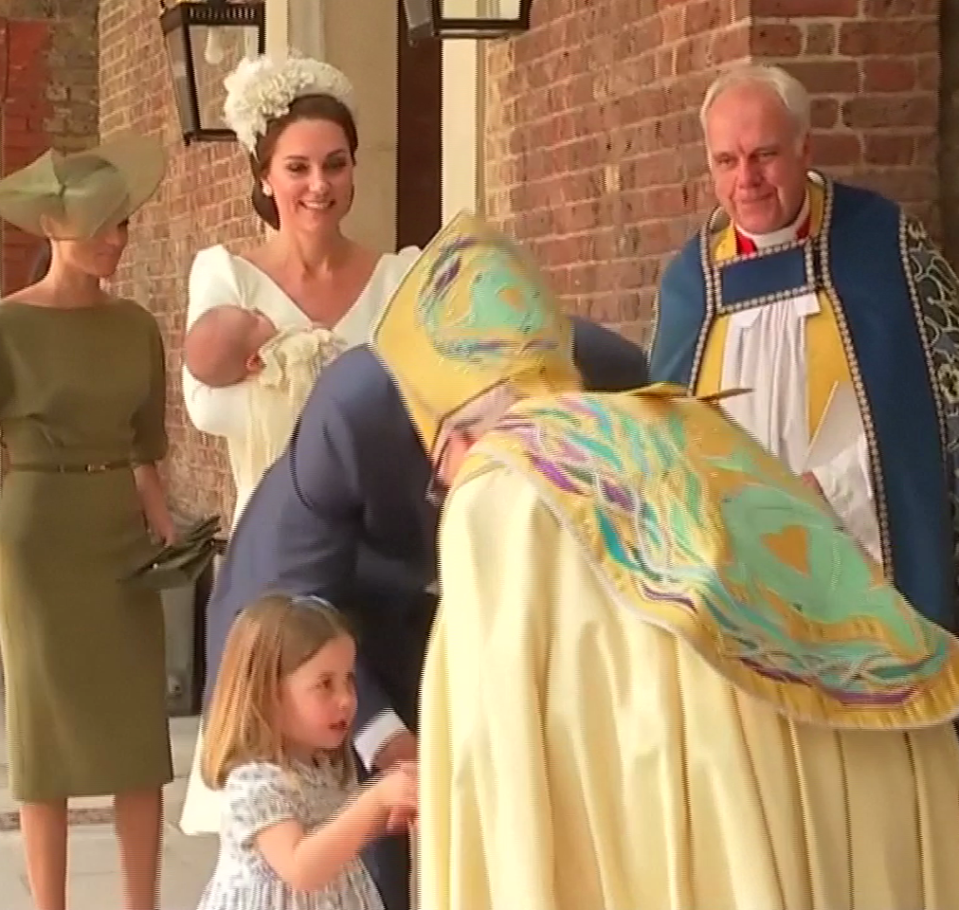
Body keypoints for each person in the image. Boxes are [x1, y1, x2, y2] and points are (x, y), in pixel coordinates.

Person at [369, 210, 959, 910]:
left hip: (690, 829)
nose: (448, 485)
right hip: (868, 788)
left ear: (456, 433)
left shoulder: (498, 484)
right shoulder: (685, 424)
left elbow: (492, 760)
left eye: (441, 467)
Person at [200, 247, 650, 908]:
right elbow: (298, 604)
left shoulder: (615, 381)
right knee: (377, 848)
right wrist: (383, 739)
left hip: (491, 618)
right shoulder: (354, 414)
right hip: (340, 622)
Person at [180, 52, 417, 839]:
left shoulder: (397, 281)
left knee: (374, 800)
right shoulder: (228, 281)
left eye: (335, 164)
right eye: (298, 167)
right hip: (276, 558)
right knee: (278, 812)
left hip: (379, 564)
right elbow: (207, 399)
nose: (319, 185)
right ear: (264, 174)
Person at [649, 63, 959, 633]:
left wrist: (837, 487)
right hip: (740, 578)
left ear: (804, 147)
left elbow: (941, 410)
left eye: (764, 155)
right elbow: (663, 450)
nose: (748, 178)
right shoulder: (691, 286)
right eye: (727, 160)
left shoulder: (882, 248)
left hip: (861, 564)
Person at [0, 134, 176, 910]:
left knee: (139, 736)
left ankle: (141, 902)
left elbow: (147, 446)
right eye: (103, 222)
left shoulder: (137, 324)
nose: (117, 237)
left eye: (124, 222)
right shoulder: (6, 325)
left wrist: (165, 525)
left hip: (119, 539)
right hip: (36, 537)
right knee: (45, 737)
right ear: (51, 228)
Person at [196, 593, 417, 910]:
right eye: (325, 684)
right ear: (267, 692)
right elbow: (301, 868)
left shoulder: (321, 765)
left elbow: (335, 836)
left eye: (349, 680)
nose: (346, 699)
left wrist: (389, 808)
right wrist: (375, 801)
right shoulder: (255, 783)